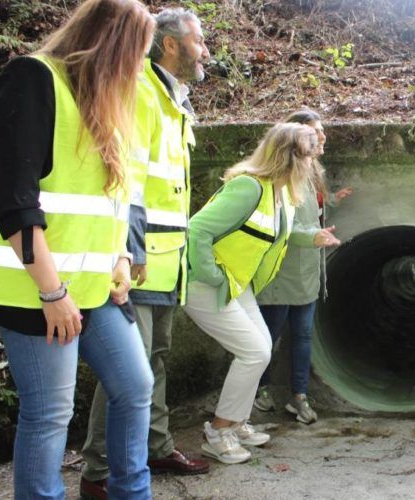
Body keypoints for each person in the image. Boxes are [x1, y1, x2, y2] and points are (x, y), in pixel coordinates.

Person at [0, 0, 155, 498]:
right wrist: (52, 293)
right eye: (137, 55)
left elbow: (110, 199)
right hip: (37, 288)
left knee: (135, 387)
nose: (138, 69)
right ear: (112, 44)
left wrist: (120, 256)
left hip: (94, 289)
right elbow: (14, 200)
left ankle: (131, 492)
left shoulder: (103, 100)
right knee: (50, 413)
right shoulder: (34, 79)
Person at [79, 7, 210, 497]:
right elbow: (128, 182)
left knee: (153, 360)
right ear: (171, 44)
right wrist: (130, 250)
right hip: (141, 258)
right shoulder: (141, 92)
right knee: (126, 370)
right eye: (198, 41)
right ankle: (99, 472)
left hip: (166, 258)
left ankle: (154, 446)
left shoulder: (174, 99)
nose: (205, 52)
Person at [183, 122, 340, 464]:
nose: (313, 163)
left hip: (236, 283)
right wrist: (213, 276)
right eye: (309, 156)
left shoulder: (280, 192)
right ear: (289, 158)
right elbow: (196, 230)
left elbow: (279, 233)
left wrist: (312, 237)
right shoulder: (248, 187)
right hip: (208, 284)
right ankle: (218, 432)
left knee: (262, 348)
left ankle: (236, 422)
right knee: (254, 351)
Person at [253, 109, 351, 424]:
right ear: (295, 140)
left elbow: (314, 207)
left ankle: (299, 396)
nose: (321, 136)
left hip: (307, 270)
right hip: (281, 272)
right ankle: (257, 389)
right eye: (314, 131)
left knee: (303, 337)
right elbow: (279, 226)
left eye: (320, 130)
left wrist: (332, 200)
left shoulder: (311, 172)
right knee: (267, 337)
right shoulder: (280, 178)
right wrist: (313, 237)